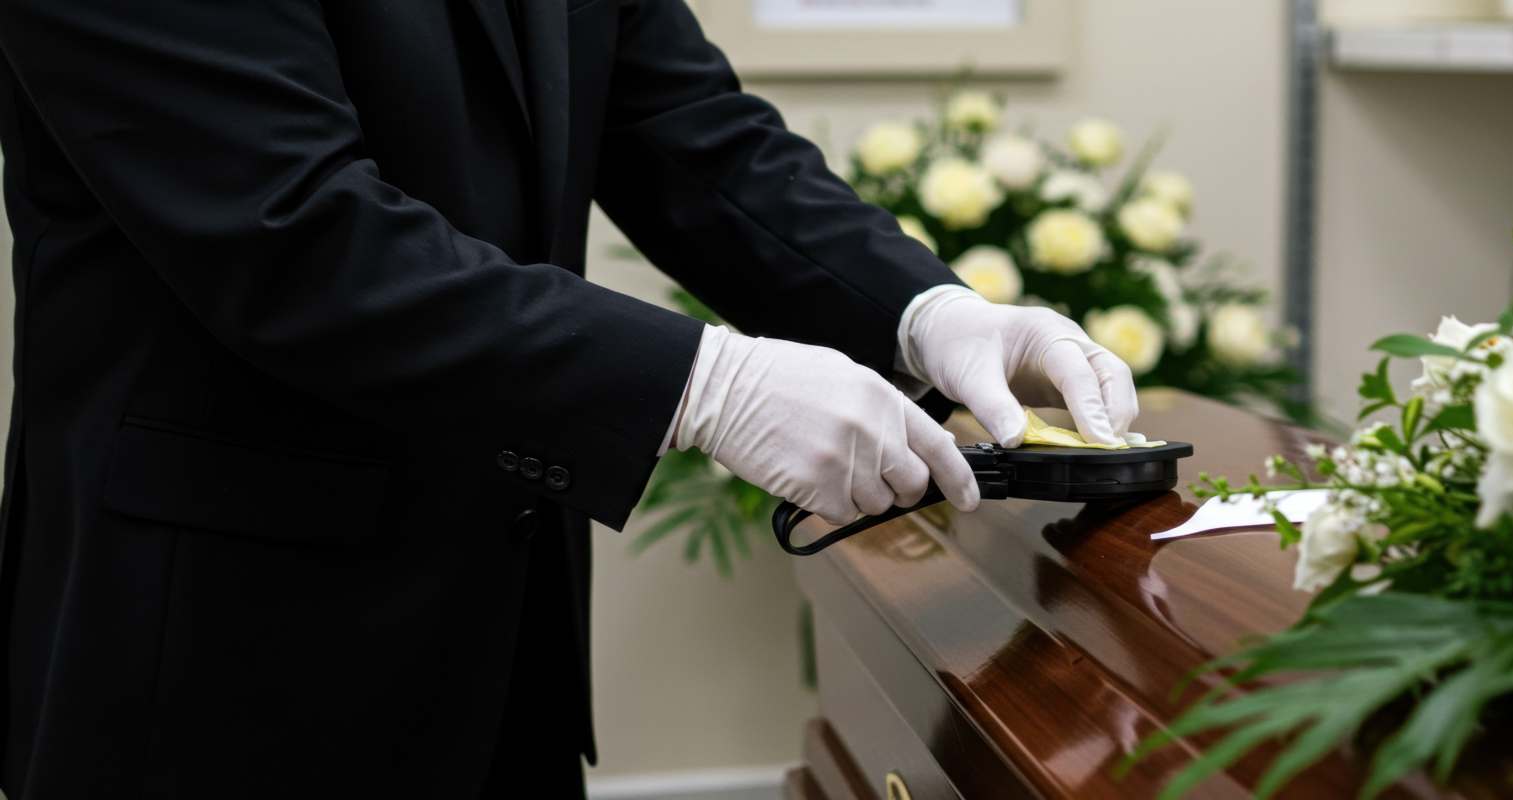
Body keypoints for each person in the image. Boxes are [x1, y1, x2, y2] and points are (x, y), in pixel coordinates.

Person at [0, 1, 1137, 797]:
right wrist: (704, 383)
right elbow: (290, 234)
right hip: (220, 649)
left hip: (499, 635)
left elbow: (696, 141)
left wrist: (928, 314)